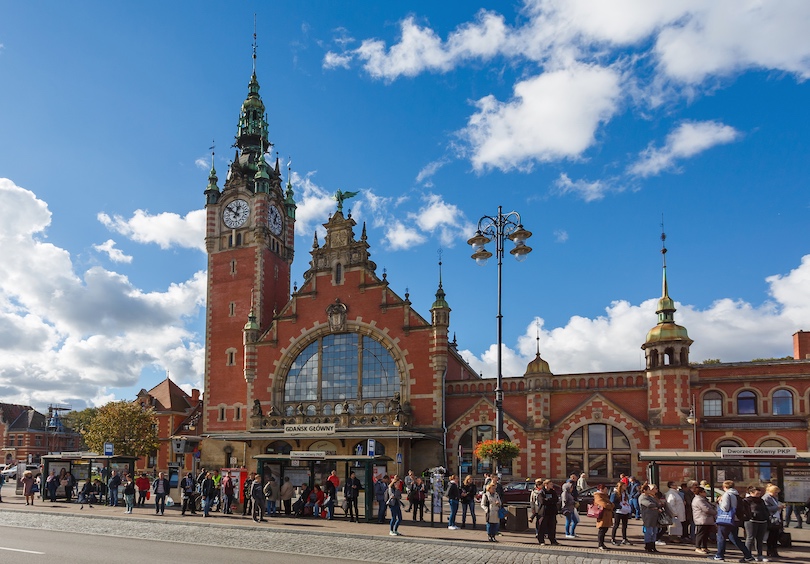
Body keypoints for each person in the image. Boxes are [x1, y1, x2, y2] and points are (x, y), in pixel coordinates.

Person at [713, 479, 755, 562]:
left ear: (725, 487)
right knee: (734, 538)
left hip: (726, 519)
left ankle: (719, 555)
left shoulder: (727, 494)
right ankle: (748, 555)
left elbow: (725, 507)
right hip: (735, 519)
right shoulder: (736, 494)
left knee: (721, 537)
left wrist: (720, 502)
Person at [531, 478, 560, 546]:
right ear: (546, 485)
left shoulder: (553, 492)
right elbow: (543, 501)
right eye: (550, 484)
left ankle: (553, 540)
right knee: (542, 527)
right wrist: (550, 501)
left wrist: (549, 500)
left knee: (552, 527)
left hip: (552, 512)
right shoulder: (541, 492)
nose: (552, 485)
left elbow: (556, 499)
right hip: (543, 512)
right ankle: (541, 540)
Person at [743, 485, 768, 562]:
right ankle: (747, 555)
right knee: (750, 538)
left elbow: (765, 509)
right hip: (751, 521)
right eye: (757, 493)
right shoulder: (747, 500)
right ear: (751, 493)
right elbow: (744, 511)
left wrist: (766, 516)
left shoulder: (761, 500)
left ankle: (760, 555)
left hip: (762, 521)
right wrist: (751, 516)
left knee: (760, 539)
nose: (758, 495)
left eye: (759, 493)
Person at [640, 483, 664, 553]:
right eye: (648, 490)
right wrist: (655, 506)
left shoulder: (650, 497)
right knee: (649, 532)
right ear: (644, 490)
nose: (649, 491)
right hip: (648, 517)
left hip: (654, 517)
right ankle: (648, 546)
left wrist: (656, 506)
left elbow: (658, 503)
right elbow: (649, 504)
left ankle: (653, 546)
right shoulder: (642, 497)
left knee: (654, 532)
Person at [692, 486, 716, 555]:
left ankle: (704, 546)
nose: (705, 493)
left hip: (706, 519)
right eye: (704, 492)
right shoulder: (699, 500)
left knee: (706, 534)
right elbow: (706, 509)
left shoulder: (703, 499)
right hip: (701, 519)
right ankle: (698, 547)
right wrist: (715, 512)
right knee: (701, 533)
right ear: (700, 493)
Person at [762, 483, 784, 559]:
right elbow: (767, 508)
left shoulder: (774, 498)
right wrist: (777, 507)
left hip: (776, 517)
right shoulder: (766, 498)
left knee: (775, 535)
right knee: (771, 536)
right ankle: (770, 551)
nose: (776, 494)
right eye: (775, 492)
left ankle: (774, 550)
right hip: (771, 518)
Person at [610, 480, 633, 545]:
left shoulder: (625, 493)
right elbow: (612, 502)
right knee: (616, 525)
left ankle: (624, 538)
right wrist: (620, 507)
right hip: (618, 511)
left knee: (624, 525)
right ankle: (613, 538)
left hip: (625, 511)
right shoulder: (615, 493)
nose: (625, 487)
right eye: (624, 486)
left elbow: (626, 501)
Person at [593, 483, 615, 551]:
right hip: (602, 515)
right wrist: (610, 506)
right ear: (601, 489)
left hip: (607, 515)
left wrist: (610, 505)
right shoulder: (598, 495)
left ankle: (602, 544)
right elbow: (604, 504)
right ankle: (600, 544)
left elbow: (611, 504)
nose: (607, 490)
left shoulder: (604, 495)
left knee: (605, 529)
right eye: (605, 489)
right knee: (602, 530)